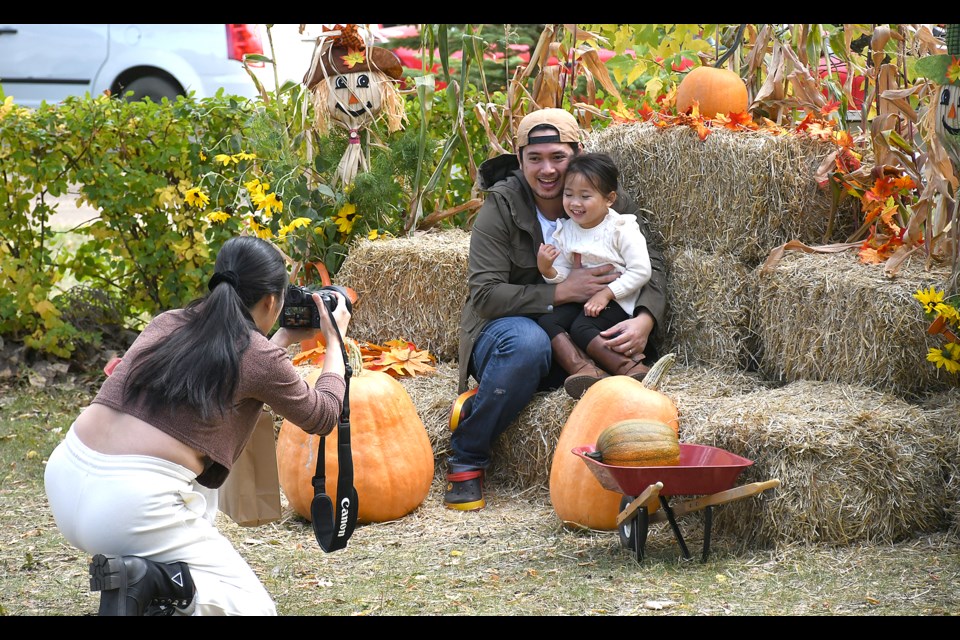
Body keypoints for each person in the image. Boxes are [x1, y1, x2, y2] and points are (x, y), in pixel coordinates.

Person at [43, 235, 352, 616]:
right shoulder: (259, 357)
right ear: (272, 301)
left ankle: (155, 587)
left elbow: (242, 364)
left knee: (198, 492)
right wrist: (335, 341)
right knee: (254, 610)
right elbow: (322, 416)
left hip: (66, 476)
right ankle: (151, 583)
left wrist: (281, 339)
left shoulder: (167, 321)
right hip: (130, 507)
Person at [446, 108, 667, 511]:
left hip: (590, 321)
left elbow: (652, 266)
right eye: (535, 159)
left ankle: (595, 381)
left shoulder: (607, 197)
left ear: (577, 151)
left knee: (614, 348)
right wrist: (562, 290)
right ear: (519, 159)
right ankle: (467, 455)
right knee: (529, 344)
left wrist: (645, 321)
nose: (547, 170)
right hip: (509, 330)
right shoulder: (501, 207)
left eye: (558, 158)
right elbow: (485, 295)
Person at [536, 151, 653, 399]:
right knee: (547, 320)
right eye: (568, 195)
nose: (574, 203)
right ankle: (585, 370)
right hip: (583, 301)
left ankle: (632, 367)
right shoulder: (567, 230)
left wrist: (607, 293)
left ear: (609, 199)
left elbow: (641, 270)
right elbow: (566, 271)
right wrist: (549, 270)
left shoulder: (621, 229)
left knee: (581, 326)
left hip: (619, 301)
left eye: (585, 196)